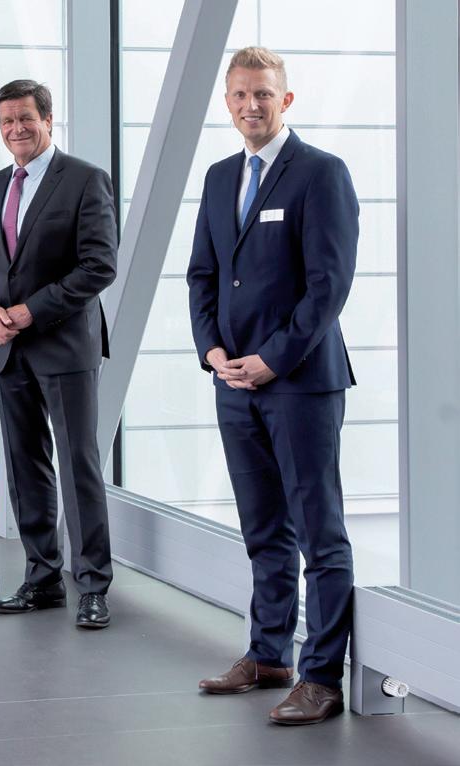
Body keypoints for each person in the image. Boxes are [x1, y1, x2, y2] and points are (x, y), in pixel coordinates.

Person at [187, 47, 358, 725]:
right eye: (239, 95)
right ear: (227, 103)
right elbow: (203, 275)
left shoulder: (320, 173)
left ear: (285, 100)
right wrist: (213, 351)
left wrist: (272, 360)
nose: (250, 105)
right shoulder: (218, 176)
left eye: (262, 94)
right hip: (233, 382)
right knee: (263, 528)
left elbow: (328, 288)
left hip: (300, 384)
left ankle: (322, 676)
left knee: (320, 533)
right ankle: (267, 655)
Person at [0, 79, 118, 629]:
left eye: (25, 117)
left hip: (64, 347)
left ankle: (93, 585)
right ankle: (42, 577)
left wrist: (30, 311)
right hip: (8, 349)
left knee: (78, 466)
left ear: (48, 120)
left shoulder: (84, 179)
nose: (16, 129)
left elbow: (99, 265)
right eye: (6, 121)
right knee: (24, 465)